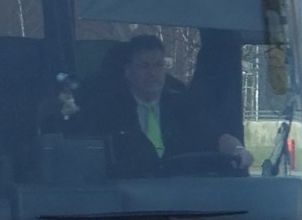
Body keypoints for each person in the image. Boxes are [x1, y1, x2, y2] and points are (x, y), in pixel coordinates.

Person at [65, 34, 254, 176]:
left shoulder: (183, 107)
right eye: (144, 66)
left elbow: (217, 136)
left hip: (182, 204)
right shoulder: (107, 112)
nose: (152, 73)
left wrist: (238, 150)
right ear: (128, 72)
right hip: (127, 209)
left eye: (158, 65)